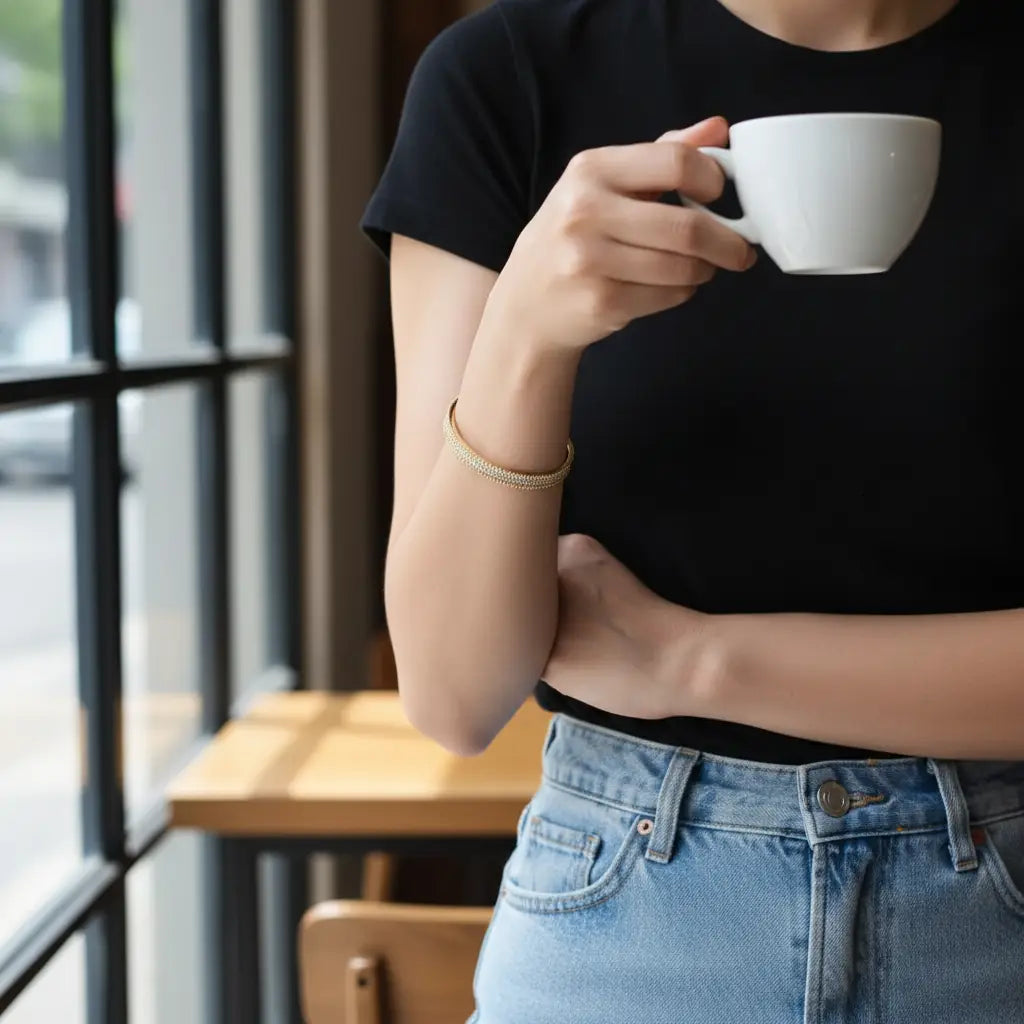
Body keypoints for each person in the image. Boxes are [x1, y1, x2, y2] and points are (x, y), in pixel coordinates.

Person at [361, 0, 1024, 1019]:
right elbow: (454, 691)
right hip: (624, 916)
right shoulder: (508, 77)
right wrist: (527, 335)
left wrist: (691, 660)